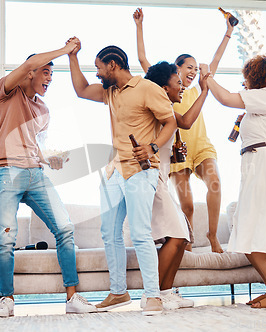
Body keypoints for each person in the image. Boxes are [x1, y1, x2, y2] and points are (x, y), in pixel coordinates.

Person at [67, 38, 177, 315]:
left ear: (112, 65)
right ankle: (118, 292)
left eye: (99, 68)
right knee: (109, 234)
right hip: (114, 170)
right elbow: (81, 90)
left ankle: (153, 296)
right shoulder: (111, 92)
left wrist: (152, 147)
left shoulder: (147, 89)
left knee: (140, 233)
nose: (97, 74)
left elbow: (170, 121)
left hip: (141, 170)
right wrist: (72, 57)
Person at [0, 42, 97, 317]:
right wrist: (65, 49)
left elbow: (39, 148)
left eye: (51, 74)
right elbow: (26, 64)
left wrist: (52, 159)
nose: (49, 79)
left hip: (35, 174)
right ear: (31, 73)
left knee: (65, 228)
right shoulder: (6, 91)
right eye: (46, 72)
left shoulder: (43, 110)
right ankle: (7, 299)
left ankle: (72, 297)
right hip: (5, 172)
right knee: (5, 239)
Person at [134, 8, 235, 252]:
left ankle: (212, 235)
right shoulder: (165, 89)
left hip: (200, 146)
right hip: (178, 152)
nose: (193, 72)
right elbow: (142, 60)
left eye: (194, 68)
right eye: (188, 67)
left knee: (215, 183)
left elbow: (216, 60)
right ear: (176, 69)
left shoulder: (196, 89)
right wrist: (139, 26)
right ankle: (187, 242)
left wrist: (228, 32)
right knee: (187, 205)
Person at [200, 55, 266, 309]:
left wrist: (207, 76)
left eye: (248, 76)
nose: (244, 81)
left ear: (260, 77)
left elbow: (223, 98)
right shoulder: (261, 103)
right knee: (249, 231)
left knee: (253, 231)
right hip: (259, 166)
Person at [140, 61, 210, 310]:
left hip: (161, 179)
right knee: (178, 235)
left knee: (181, 236)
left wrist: (177, 153)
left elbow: (177, 133)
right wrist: (204, 91)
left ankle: (165, 292)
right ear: (163, 86)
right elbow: (188, 121)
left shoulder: (166, 109)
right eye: (178, 82)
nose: (182, 87)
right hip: (151, 179)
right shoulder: (158, 107)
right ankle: (152, 294)